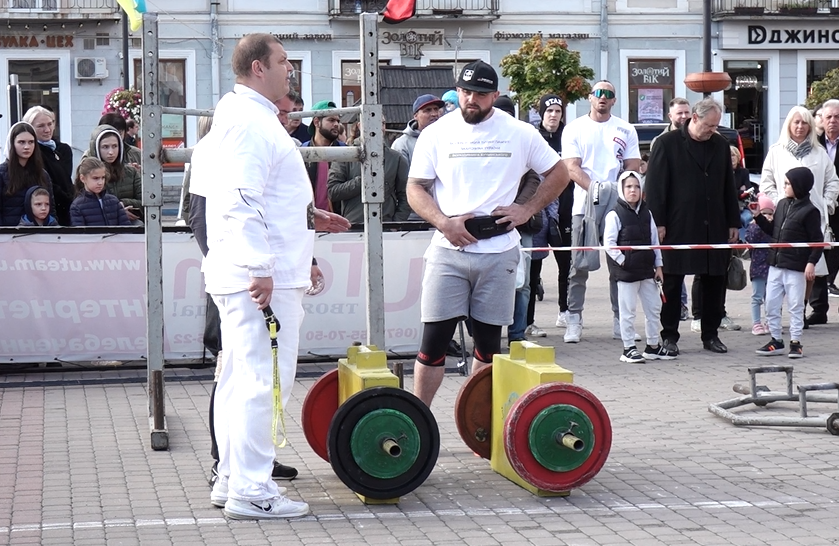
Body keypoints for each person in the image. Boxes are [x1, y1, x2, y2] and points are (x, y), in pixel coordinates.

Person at [192, 32, 312, 519]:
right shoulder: (248, 124)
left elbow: (236, 198)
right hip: (258, 277)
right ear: (259, 68)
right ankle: (252, 489)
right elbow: (240, 202)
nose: (291, 69)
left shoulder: (238, 118)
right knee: (261, 382)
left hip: (245, 271)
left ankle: (232, 480)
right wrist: (261, 268)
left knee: (240, 380)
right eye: (283, 61)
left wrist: (307, 220)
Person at [406, 60, 570, 407]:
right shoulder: (436, 132)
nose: (471, 100)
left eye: (480, 94)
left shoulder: (520, 132)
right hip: (448, 250)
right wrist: (443, 222)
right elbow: (415, 188)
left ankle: (479, 426)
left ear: (495, 95)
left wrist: (527, 209)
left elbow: (559, 172)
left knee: (488, 347)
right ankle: (416, 421)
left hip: (498, 252)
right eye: (465, 92)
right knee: (432, 345)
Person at [645, 98, 740, 355]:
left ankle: (711, 334)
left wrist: (734, 220)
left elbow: (727, 186)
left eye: (716, 126)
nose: (713, 130)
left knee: (714, 281)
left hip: (714, 223)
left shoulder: (720, 145)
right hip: (678, 224)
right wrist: (659, 223)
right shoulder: (666, 144)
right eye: (709, 126)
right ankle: (669, 337)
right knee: (673, 282)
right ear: (695, 119)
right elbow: (655, 189)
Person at [560, 80, 641, 343]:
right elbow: (571, 167)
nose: (603, 98)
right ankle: (574, 318)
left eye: (608, 95)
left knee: (619, 263)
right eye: (598, 94)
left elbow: (632, 166)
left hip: (616, 203)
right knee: (579, 263)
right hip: (583, 204)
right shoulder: (575, 128)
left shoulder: (625, 129)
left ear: (614, 100)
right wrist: (595, 189)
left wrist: (618, 191)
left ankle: (621, 320)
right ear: (590, 97)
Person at [759, 105, 839, 327]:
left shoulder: (819, 153)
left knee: (811, 268)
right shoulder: (776, 151)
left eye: (804, 122)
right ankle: (777, 316)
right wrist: (778, 204)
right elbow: (766, 183)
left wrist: (827, 203)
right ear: (789, 125)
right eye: (796, 122)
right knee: (784, 268)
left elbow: (833, 181)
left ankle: (800, 311)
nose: (800, 126)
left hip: (812, 217)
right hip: (785, 220)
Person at [604, 171, 676, 363]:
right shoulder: (614, 214)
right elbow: (609, 244)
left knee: (653, 309)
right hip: (626, 273)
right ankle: (628, 348)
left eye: (636, 186)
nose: (633, 190)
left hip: (647, 271)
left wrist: (658, 265)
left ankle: (653, 346)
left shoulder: (647, 213)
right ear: (622, 188)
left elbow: (654, 241)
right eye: (628, 186)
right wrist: (624, 261)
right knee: (628, 311)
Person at [754, 167, 824, 358]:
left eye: (787, 183)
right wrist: (758, 217)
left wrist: (811, 262)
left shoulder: (810, 211)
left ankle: (796, 341)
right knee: (771, 303)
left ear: (799, 185)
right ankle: (776, 340)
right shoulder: (782, 204)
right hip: (775, 263)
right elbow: (773, 231)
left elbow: (817, 241)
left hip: (795, 266)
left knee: (795, 305)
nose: (784, 187)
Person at [492, 94, 544, 344]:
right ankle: (485, 337)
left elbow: (535, 177)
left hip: (521, 224)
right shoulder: (486, 138)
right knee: (486, 283)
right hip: (488, 222)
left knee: (522, 284)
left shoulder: (523, 137)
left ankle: (517, 336)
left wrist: (519, 208)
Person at [533, 93, 573, 329]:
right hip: (539, 206)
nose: (554, 116)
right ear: (542, 114)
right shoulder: (534, 137)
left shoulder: (568, 136)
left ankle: (564, 309)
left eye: (558, 111)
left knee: (565, 260)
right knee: (534, 263)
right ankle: (530, 320)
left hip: (565, 204)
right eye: (549, 111)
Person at [327, 116, 411, 224]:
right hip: (353, 227)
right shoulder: (344, 156)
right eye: (372, 122)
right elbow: (332, 192)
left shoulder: (397, 159)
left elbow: (406, 195)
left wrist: (395, 224)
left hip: (386, 228)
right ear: (359, 125)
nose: (379, 127)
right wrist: (363, 181)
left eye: (382, 123)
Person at [22, 106, 74, 226]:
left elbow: (66, 179)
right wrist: (69, 200)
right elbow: (46, 183)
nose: (47, 129)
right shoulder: (33, 152)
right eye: (41, 126)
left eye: (50, 124)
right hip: (48, 212)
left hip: (66, 209)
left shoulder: (61, 150)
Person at [0, 122, 54, 226]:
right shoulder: (2, 173)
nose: (26, 147)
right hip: (9, 236)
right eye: (21, 142)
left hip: (39, 236)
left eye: (31, 142)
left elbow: (51, 210)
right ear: (12, 144)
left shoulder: (42, 174)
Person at [89, 125, 143, 223]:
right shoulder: (88, 174)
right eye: (105, 147)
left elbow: (145, 202)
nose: (111, 152)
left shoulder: (131, 172)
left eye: (115, 146)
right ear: (96, 148)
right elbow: (85, 207)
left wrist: (124, 203)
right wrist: (118, 211)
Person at [302, 100, 345, 212]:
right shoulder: (303, 152)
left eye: (337, 120)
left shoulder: (346, 152)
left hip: (338, 221)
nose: (336, 124)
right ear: (316, 122)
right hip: (310, 220)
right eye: (331, 120)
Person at [816, 100, 839, 299]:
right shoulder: (814, 144)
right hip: (820, 206)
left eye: (837, 117)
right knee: (820, 252)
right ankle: (819, 305)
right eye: (829, 117)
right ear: (822, 120)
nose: (833, 121)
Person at [69, 157, 131, 226]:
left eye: (103, 177)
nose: (100, 182)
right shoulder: (77, 206)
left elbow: (126, 228)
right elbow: (80, 234)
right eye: (95, 178)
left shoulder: (113, 201)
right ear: (83, 178)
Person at [746, 194, 774, 335]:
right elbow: (750, 240)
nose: (768, 216)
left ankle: (770, 322)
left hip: (772, 267)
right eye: (764, 213)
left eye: (770, 213)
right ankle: (756, 323)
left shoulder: (773, 228)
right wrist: (758, 223)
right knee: (757, 297)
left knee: (771, 297)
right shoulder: (753, 227)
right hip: (758, 267)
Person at [392, 93, 444, 165]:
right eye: (428, 110)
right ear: (416, 116)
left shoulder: (448, 138)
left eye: (436, 109)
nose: (434, 114)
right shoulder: (402, 144)